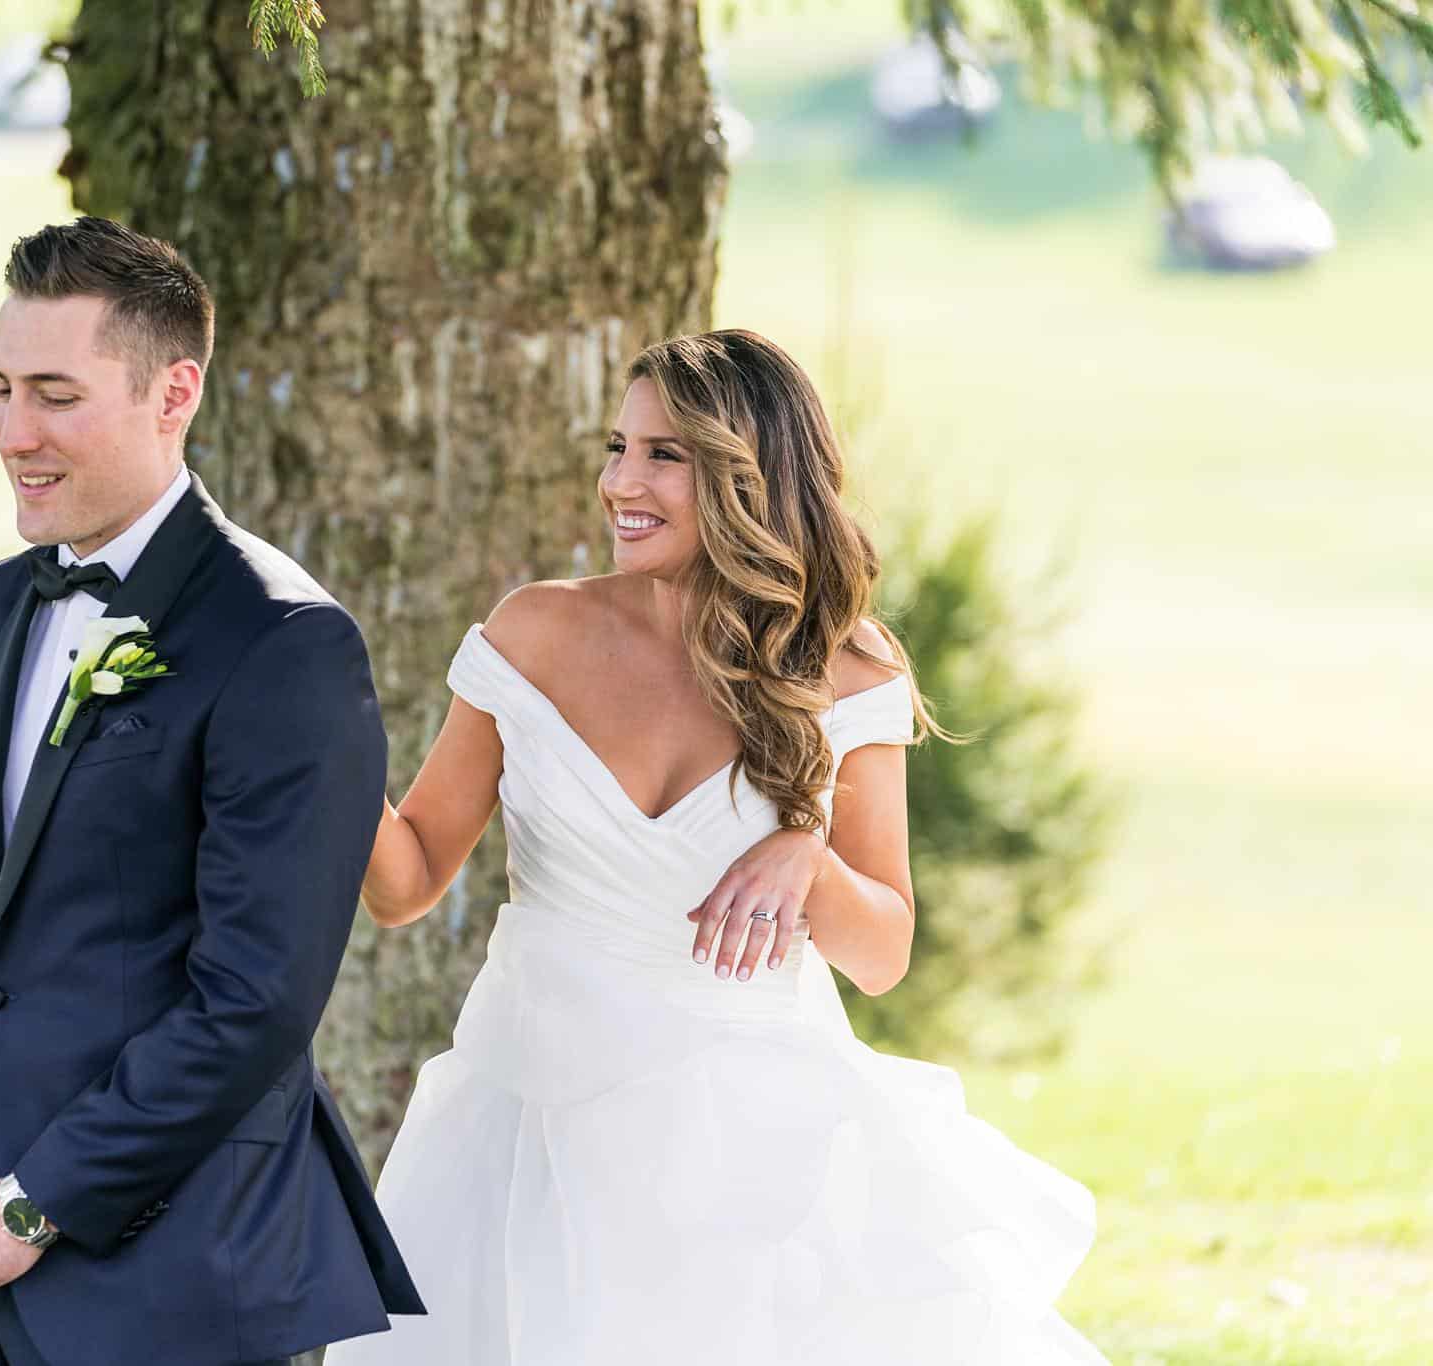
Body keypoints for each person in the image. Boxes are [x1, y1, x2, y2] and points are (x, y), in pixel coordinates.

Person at [330, 330, 1109, 1365]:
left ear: (752, 477)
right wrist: (317, 754)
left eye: (664, 455)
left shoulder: (848, 668)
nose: (618, 482)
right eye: (616, 447)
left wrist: (806, 856)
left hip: (753, 1151)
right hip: (526, 1123)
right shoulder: (532, 633)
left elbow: (879, 952)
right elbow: (405, 880)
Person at [0, 216, 424, 1366]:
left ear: (174, 395)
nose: (14, 432)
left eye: (55, 394)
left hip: (176, 1282)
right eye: (0, 388)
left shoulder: (283, 641)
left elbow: (253, 1000)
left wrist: (28, 1205)